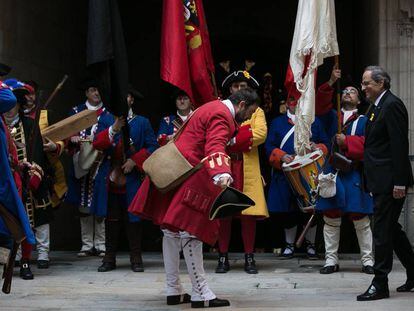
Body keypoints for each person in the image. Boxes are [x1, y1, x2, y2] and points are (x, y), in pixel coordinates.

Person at [129, 88, 259, 308]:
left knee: (170, 231)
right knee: (192, 231)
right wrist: (222, 173)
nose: (248, 118)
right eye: (250, 112)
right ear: (242, 104)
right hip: (191, 173)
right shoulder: (222, 115)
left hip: (173, 169)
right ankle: (201, 293)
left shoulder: (211, 105)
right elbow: (215, 145)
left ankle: (174, 290)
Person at [357, 66, 414, 301]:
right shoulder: (376, 106)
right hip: (379, 179)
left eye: (366, 83)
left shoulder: (392, 105)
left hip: (390, 181)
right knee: (391, 229)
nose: (363, 88)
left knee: (381, 230)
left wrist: (400, 182)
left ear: (381, 83)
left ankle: (380, 283)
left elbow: (399, 145)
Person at [315, 67, 374, 274]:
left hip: (355, 172)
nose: (347, 93)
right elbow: (320, 103)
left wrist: (347, 141)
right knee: (331, 218)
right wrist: (331, 81)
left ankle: (368, 261)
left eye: (352, 91)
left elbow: (370, 145)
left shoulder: (366, 120)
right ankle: (331, 261)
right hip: (333, 173)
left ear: (359, 100)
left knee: (361, 218)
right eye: (345, 91)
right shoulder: (331, 117)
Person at [3, 78, 65, 271]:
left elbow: (37, 152)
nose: (10, 108)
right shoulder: (1, 126)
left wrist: (33, 173)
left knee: (39, 218)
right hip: (9, 181)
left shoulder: (30, 125)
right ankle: (18, 257)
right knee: (14, 220)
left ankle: (42, 254)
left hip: (30, 178)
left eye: (14, 104)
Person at [93, 86, 158, 272]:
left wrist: (134, 161)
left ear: (131, 100)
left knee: (134, 220)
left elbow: (152, 147)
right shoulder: (105, 119)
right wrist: (113, 129)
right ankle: (109, 258)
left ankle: (136, 258)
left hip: (132, 179)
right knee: (111, 220)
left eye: (126, 96)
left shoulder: (142, 122)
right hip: (110, 178)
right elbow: (97, 143)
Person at [215, 71, 268, 274]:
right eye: (235, 86)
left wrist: (233, 141)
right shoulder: (222, 109)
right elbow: (216, 136)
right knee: (224, 213)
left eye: (243, 86)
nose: (239, 89)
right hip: (227, 166)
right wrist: (241, 137)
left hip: (247, 168)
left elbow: (261, 134)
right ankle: (222, 257)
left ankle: (249, 257)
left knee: (248, 215)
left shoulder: (257, 111)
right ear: (230, 90)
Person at [265, 93, 329, 260]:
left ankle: (311, 245)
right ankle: (289, 245)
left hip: (309, 174)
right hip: (285, 174)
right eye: (293, 99)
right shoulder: (277, 123)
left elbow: (326, 144)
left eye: (300, 100)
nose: (296, 103)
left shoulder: (314, 122)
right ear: (287, 103)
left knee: (310, 210)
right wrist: (281, 156)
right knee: (288, 211)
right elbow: (269, 145)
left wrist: (318, 147)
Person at [66, 79, 106, 257]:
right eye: (92, 90)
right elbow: (66, 132)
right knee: (83, 205)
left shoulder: (108, 112)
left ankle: (101, 244)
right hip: (81, 163)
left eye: (98, 90)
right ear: (86, 93)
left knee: (100, 204)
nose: (96, 93)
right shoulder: (76, 111)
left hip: (101, 163)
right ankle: (86, 245)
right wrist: (72, 138)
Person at [0, 80, 35, 279]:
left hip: (7, 182)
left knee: (7, 234)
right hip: (3, 187)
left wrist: (19, 165)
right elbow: (7, 97)